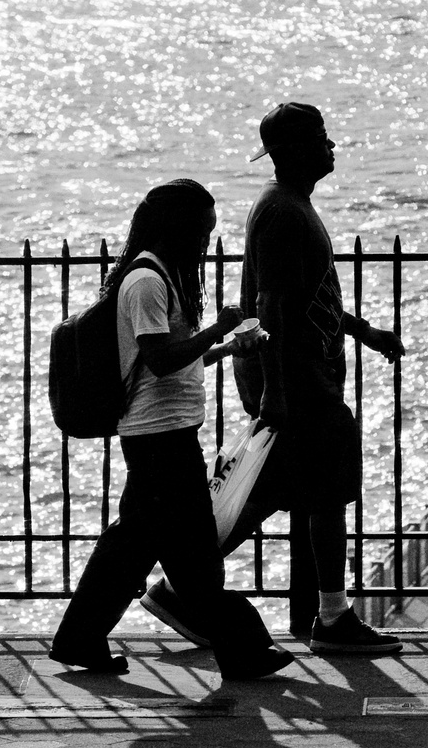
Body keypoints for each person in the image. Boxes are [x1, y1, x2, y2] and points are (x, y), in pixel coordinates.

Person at [141, 103, 405, 655]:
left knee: (266, 491)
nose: (332, 146)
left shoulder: (290, 206)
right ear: (294, 151)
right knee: (325, 489)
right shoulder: (284, 213)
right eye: (321, 138)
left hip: (296, 377)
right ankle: (331, 618)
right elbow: (275, 309)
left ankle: (178, 589)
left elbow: (309, 298)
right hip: (298, 381)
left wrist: (364, 332)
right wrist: (278, 393)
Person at [50, 179, 292, 680]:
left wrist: (226, 349)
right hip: (158, 438)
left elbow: (175, 356)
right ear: (178, 227)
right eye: (202, 231)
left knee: (132, 546)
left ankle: (79, 639)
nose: (206, 241)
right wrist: (219, 329)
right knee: (195, 555)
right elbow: (158, 361)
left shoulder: (163, 278)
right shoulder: (146, 282)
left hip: (167, 433)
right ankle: (243, 647)